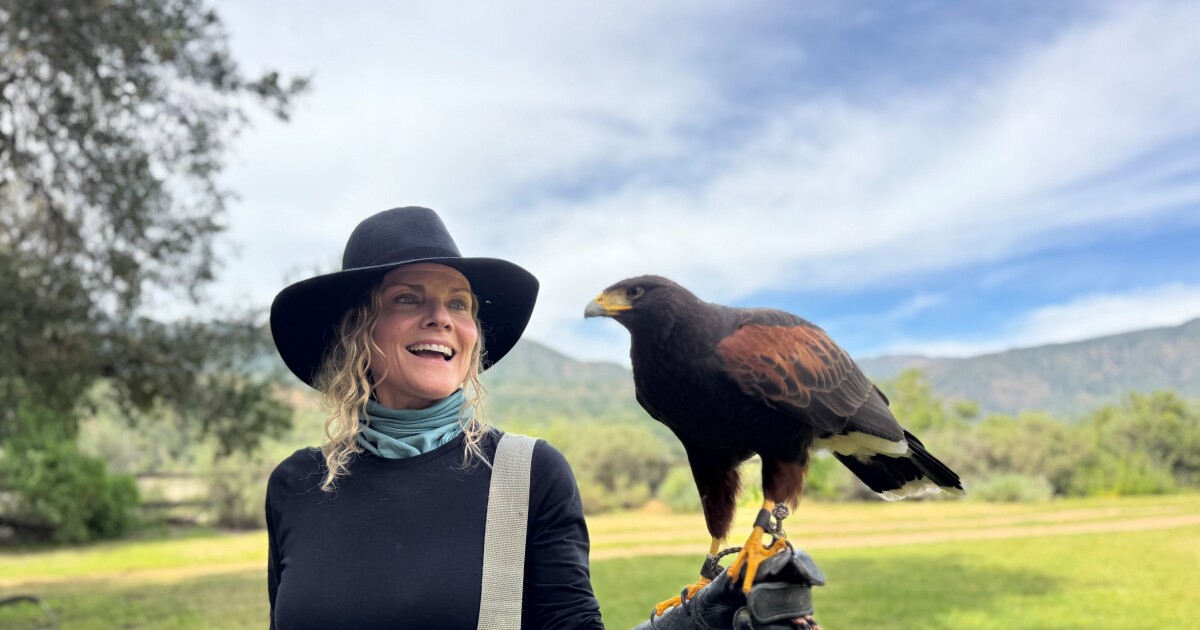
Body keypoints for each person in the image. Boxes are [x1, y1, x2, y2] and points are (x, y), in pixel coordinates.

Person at [265, 206, 605, 629]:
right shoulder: (295, 483)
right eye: (407, 298)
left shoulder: (527, 474)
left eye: (459, 303)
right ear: (357, 330)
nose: (441, 318)